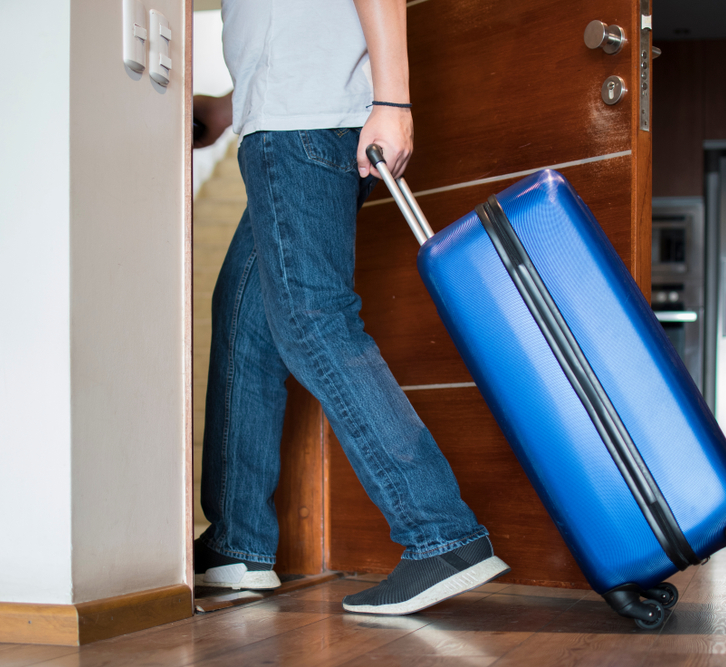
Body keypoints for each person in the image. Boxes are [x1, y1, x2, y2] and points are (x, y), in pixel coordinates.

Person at [191, 0, 508, 616]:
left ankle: (440, 533)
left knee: (313, 323)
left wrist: (394, 103)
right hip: (291, 117)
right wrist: (228, 108)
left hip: (300, 125)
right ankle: (236, 544)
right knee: (244, 318)